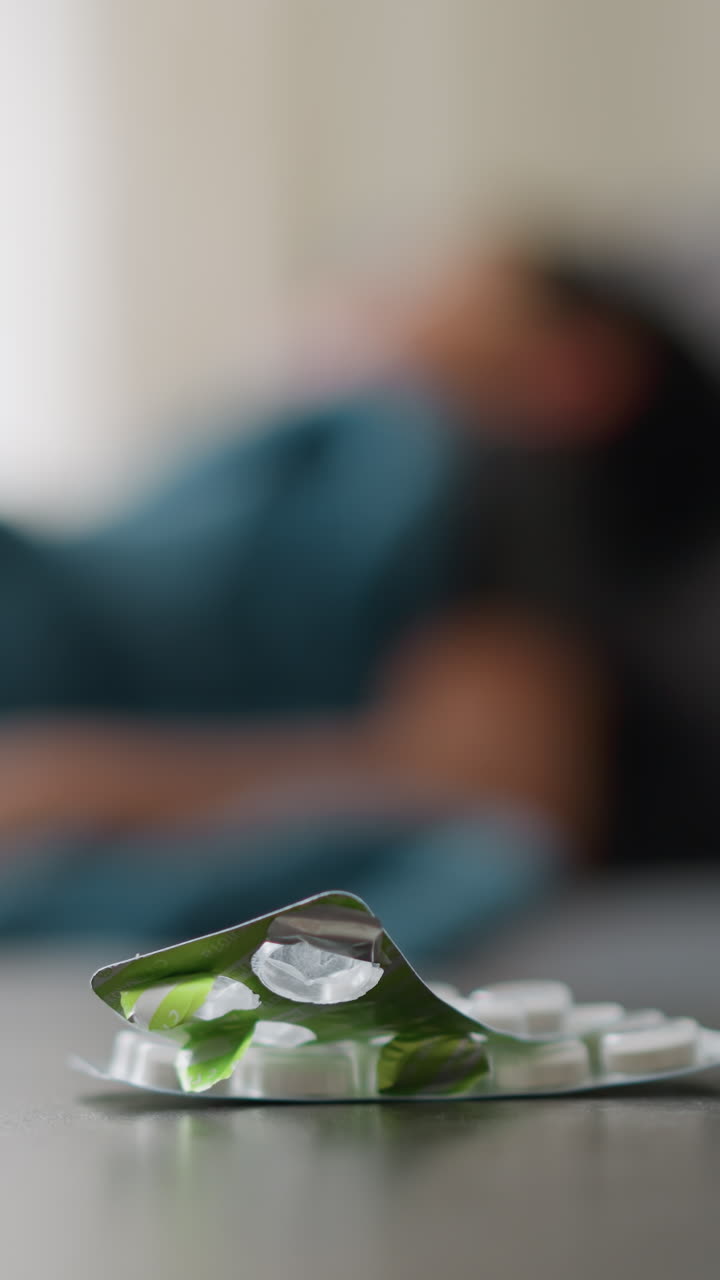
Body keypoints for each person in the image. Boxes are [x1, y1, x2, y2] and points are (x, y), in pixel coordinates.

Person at [0, 236, 716, 943]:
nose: (373, 300)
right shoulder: (331, 453)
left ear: (575, 372)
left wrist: (85, 779)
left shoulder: (492, 484)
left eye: (435, 287)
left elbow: (500, 782)